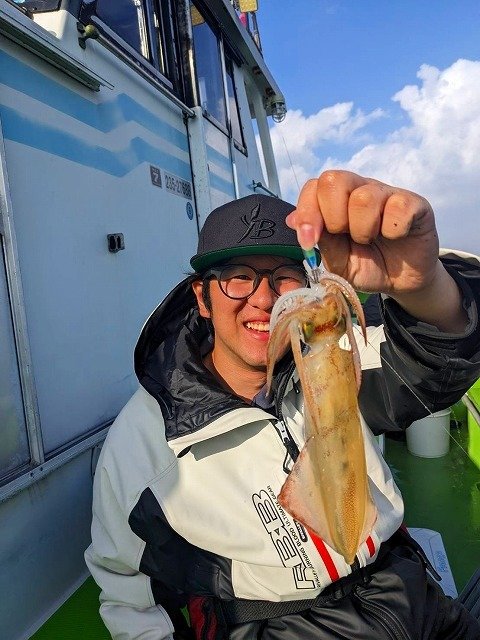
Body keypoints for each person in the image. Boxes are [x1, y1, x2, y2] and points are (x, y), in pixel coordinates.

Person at [85, 170, 480, 639]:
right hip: (279, 624)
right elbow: (129, 593)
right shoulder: (143, 443)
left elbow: (437, 355)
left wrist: (422, 284)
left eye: (284, 277)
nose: (264, 299)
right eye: (238, 277)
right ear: (202, 298)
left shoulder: (337, 357)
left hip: (408, 592)